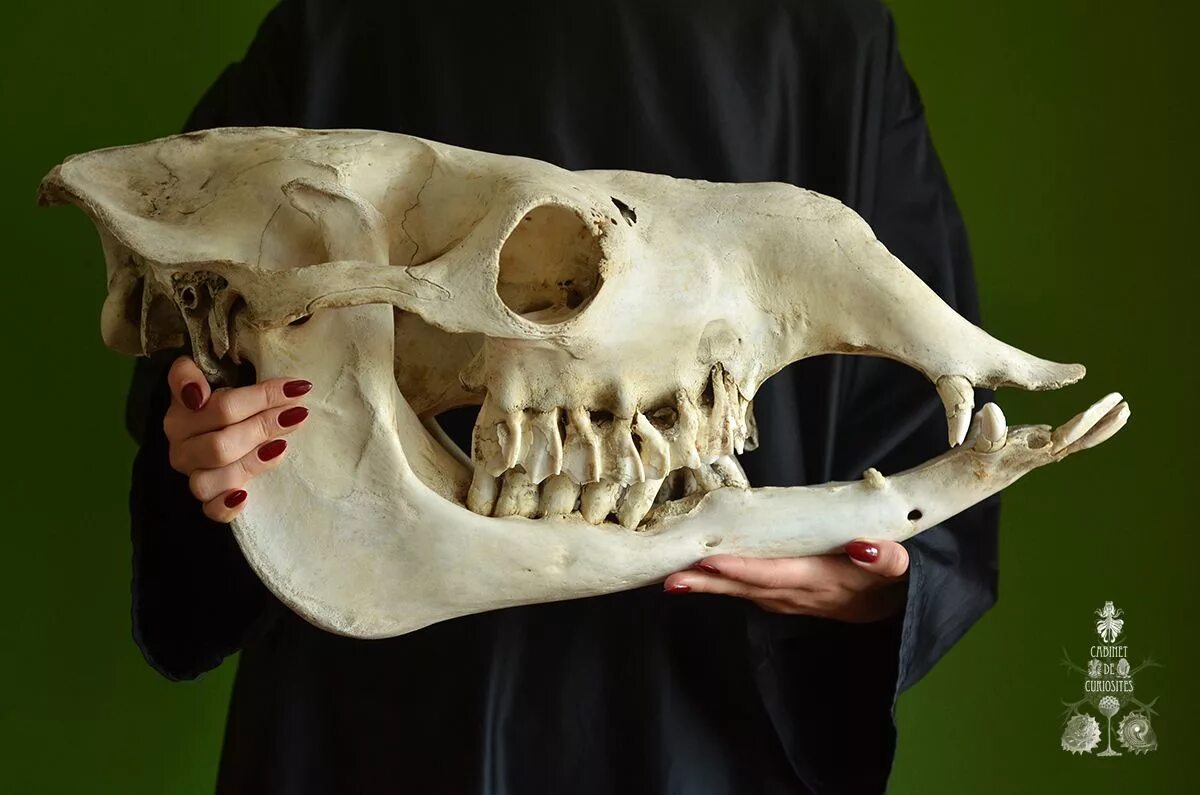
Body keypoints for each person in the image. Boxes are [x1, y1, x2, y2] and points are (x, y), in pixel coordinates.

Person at [126, 1, 999, 792]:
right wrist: (217, 454)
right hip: (369, 722)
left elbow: (929, 404)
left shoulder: (829, 43)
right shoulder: (330, 34)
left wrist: (881, 586)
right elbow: (194, 361)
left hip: (696, 715)